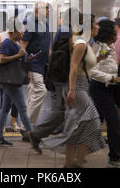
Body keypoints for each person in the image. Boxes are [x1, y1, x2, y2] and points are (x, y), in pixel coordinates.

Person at [42, 13, 106, 168]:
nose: (98, 26)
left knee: (76, 127)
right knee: (94, 122)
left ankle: (71, 163)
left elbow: (83, 65)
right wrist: (71, 90)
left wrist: (98, 60)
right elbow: (73, 66)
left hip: (82, 86)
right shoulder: (80, 43)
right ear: (88, 26)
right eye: (96, 23)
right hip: (76, 87)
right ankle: (58, 148)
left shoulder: (85, 43)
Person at [27, 8, 73, 154]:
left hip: (58, 76)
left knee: (64, 112)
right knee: (60, 112)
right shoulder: (66, 30)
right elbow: (64, 56)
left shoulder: (61, 29)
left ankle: (70, 147)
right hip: (61, 77)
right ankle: (35, 133)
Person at [89, 19, 120, 168]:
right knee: (113, 121)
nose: (117, 35)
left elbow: (107, 64)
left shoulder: (109, 46)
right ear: (107, 34)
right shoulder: (100, 47)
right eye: (114, 32)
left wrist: (117, 67)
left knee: (94, 123)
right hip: (100, 87)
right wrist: (113, 78)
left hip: (110, 87)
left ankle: (77, 152)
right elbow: (92, 70)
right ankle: (114, 158)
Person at [0, 18, 33, 146]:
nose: (23, 34)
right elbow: (2, 60)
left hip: (12, 80)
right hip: (11, 81)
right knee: (23, 108)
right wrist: (18, 55)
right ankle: (32, 136)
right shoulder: (7, 43)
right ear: (14, 30)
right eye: (21, 31)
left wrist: (26, 58)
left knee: (5, 109)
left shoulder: (14, 43)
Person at [20, 2, 51, 129]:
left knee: (33, 95)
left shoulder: (45, 24)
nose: (49, 11)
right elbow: (23, 46)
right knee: (41, 92)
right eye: (46, 9)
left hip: (42, 65)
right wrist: (26, 67)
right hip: (33, 65)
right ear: (38, 10)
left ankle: (29, 127)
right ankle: (26, 127)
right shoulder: (30, 22)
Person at [0, 30, 19, 131]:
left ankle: (13, 120)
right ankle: (2, 124)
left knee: (16, 97)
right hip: (4, 71)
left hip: (15, 70)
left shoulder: (18, 37)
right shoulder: (1, 36)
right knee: (4, 96)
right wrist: (5, 52)